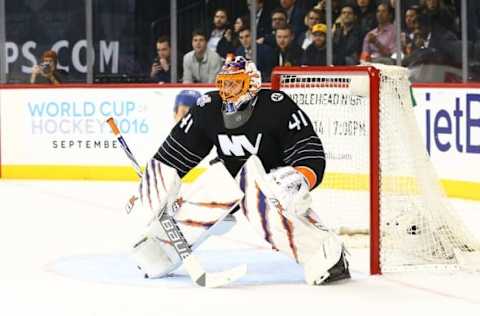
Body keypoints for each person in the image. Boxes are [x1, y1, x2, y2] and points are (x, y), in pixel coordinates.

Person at [133, 56, 350, 285]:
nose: (227, 90)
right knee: (212, 185)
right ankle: (158, 251)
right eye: (224, 83)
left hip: (275, 183)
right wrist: (154, 185)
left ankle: (327, 255)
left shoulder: (276, 105)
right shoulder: (208, 108)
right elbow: (175, 153)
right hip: (231, 180)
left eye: (235, 83)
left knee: (256, 195)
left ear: (253, 84)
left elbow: (307, 147)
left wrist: (301, 177)